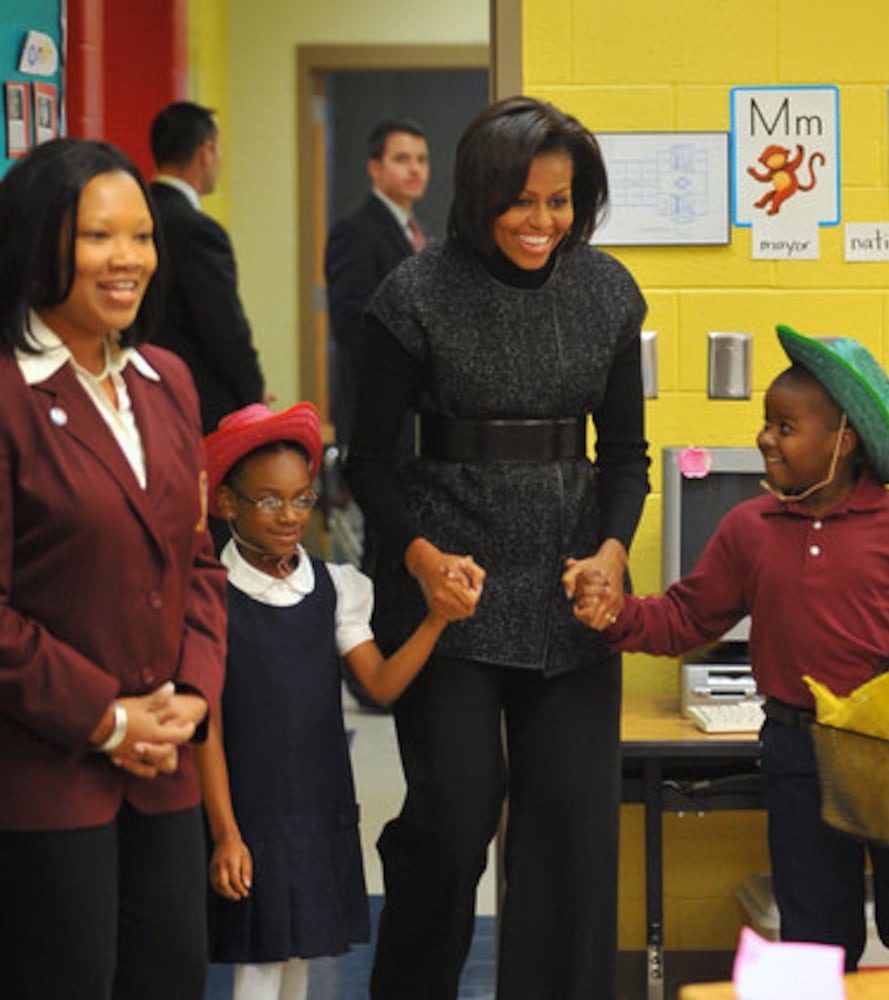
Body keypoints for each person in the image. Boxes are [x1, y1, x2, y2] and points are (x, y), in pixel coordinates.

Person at [348, 95, 650, 999]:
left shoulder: (606, 291)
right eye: (522, 201)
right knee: (452, 818)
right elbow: (369, 464)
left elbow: (626, 459)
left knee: (569, 832)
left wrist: (612, 554)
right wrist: (420, 562)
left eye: (560, 202)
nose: (541, 222)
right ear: (480, 195)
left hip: (568, 591)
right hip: (451, 595)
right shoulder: (412, 294)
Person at [575, 324, 889, 972]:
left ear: (842, 441)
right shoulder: (750, 529)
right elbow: (685, 617)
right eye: (767, 422)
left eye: (785, 426)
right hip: (799, 750)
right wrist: (615, 613)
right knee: (814, 931)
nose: (765, 437)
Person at [0, 137, 227, 999]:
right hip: (43, 780)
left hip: (166, 771)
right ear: (36, 242)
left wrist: (193, 697)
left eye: (141, 236)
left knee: (170, 979)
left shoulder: (166, 380)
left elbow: (200, 563)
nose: (128, 259)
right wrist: (106, 718)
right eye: (99, 237)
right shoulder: (10, 393)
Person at [197, 401, 480, 1000]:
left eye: (301, 498)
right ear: (227, 505)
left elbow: (379, 683)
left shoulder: (331, 587)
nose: (290, 515)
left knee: (300, 951)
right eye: (269, 500)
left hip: (317, 807)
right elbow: (209, 729)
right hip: (250, 812)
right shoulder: (211, 598)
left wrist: (435, 621)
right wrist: (225, 831)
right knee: (259, 960)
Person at [148, 101, 266, 435]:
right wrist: (252, 401)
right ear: (206, 151)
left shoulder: (139, 214)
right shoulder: (198, 230)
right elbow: (225, 332)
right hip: (198, 408)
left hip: (141, 397)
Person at [324, 118, 430, 449]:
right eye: (401, 159)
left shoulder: (421, 233)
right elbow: (351, 322)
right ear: (375, 167)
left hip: (417, 413)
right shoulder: (354, 232)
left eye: (421, 160)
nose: (414, 169)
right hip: (374, 410)